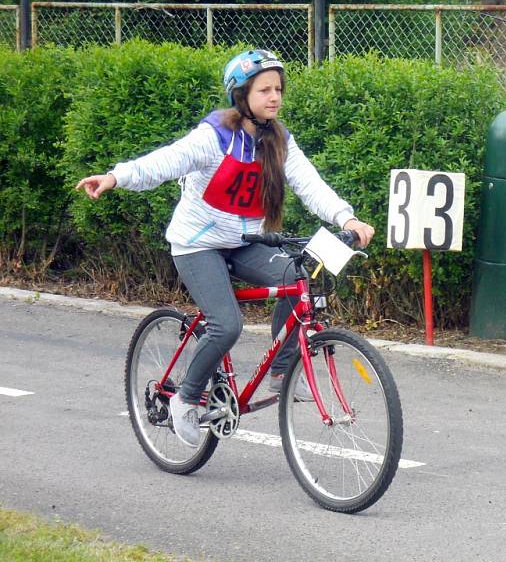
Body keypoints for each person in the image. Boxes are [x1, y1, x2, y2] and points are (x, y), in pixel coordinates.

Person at [76, 49, 375, 447]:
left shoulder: (279, 140)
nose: (275, 97)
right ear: (242, 94)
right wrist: (116, 177)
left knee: (299, 276)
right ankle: (185, 399)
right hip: (197, 246)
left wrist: (346, 218)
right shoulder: (214, 137)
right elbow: (165, 161)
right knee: (227, 325)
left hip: (242, 243)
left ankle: (283, 373)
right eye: (265, 89)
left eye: (279, 89)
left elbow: (309, 183)